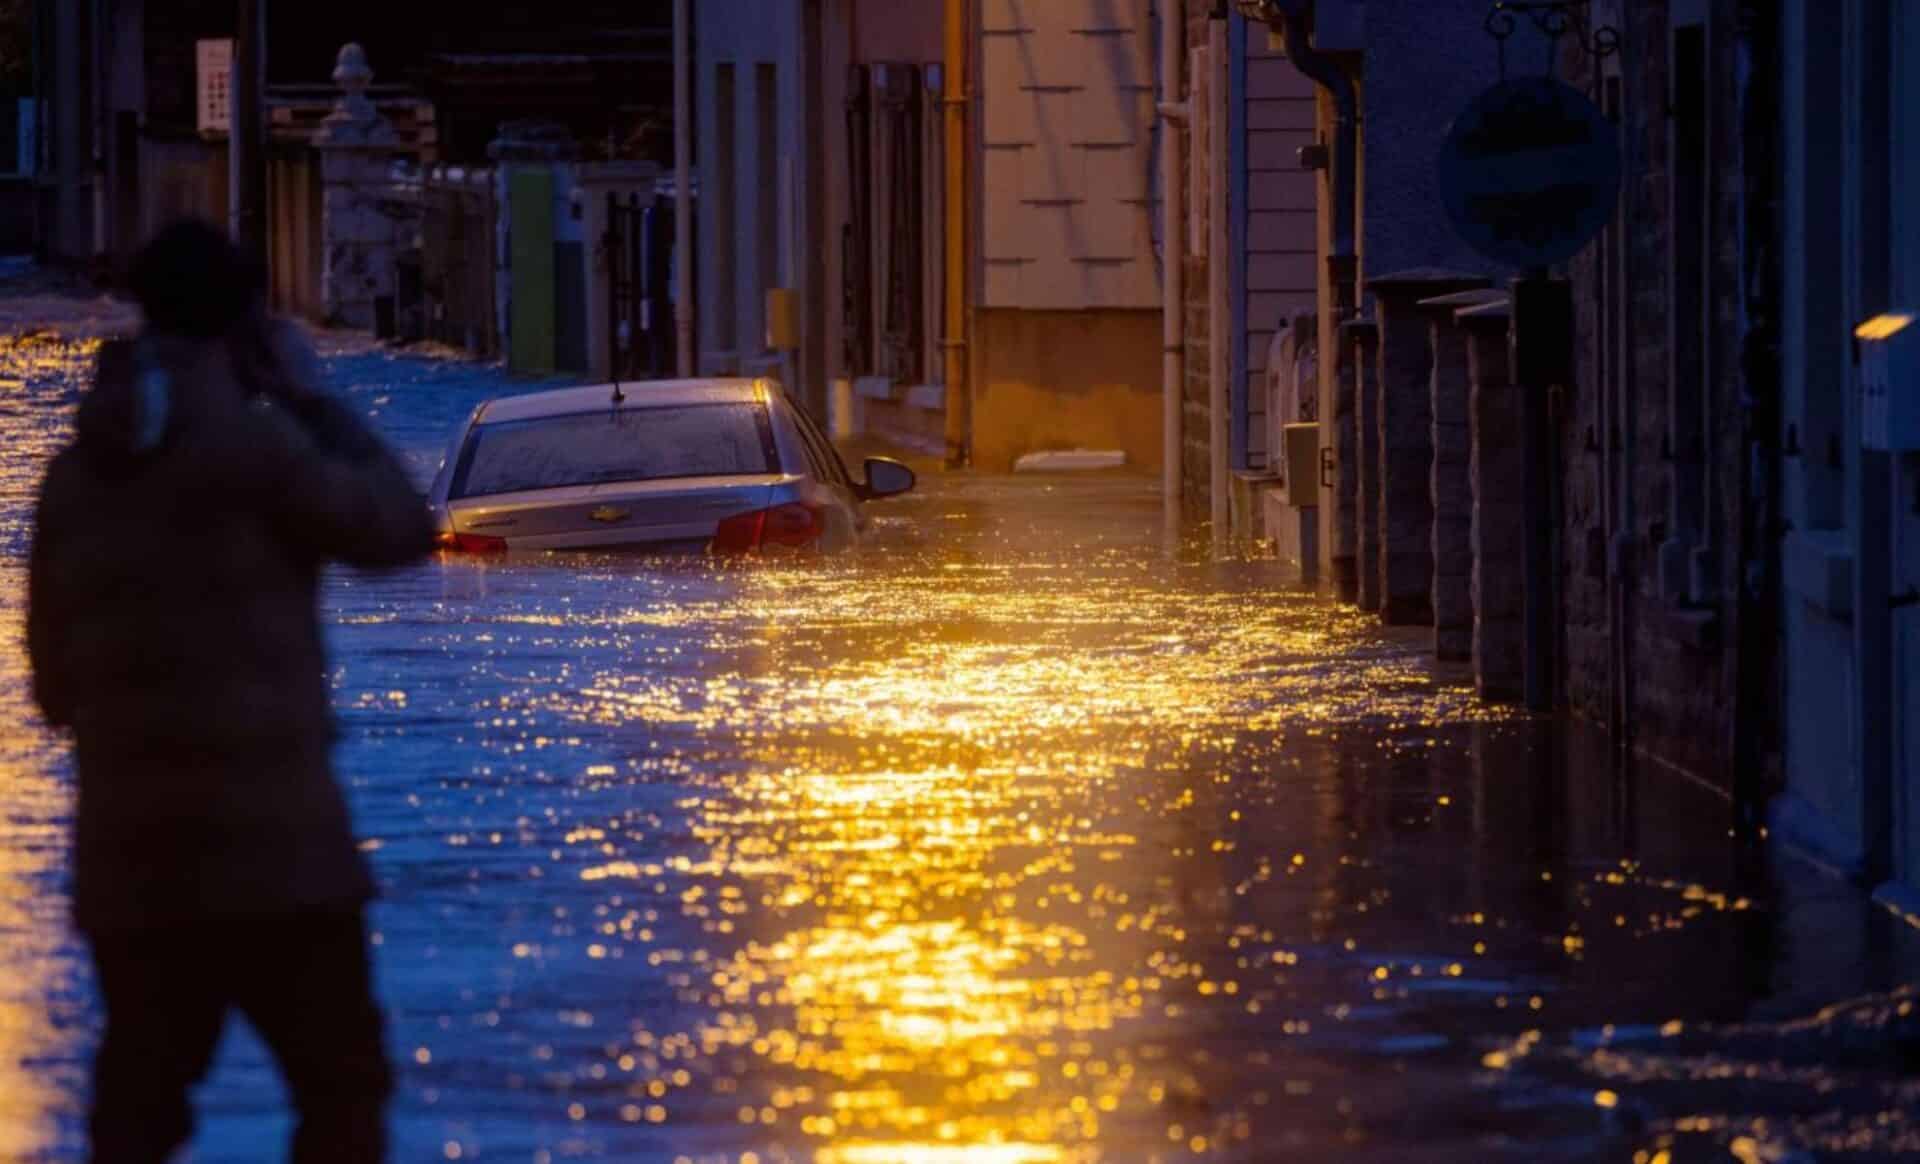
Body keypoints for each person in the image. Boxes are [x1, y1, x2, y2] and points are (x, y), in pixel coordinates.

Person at [26, 219, 435, 1164]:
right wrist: (311, 399)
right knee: (341, 1091)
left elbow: (51, 689)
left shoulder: (72, 478)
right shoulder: (260, 451)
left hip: (130, 863)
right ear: (246, 323)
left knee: (139, 1102)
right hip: (278, 858)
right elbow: (399, 529)